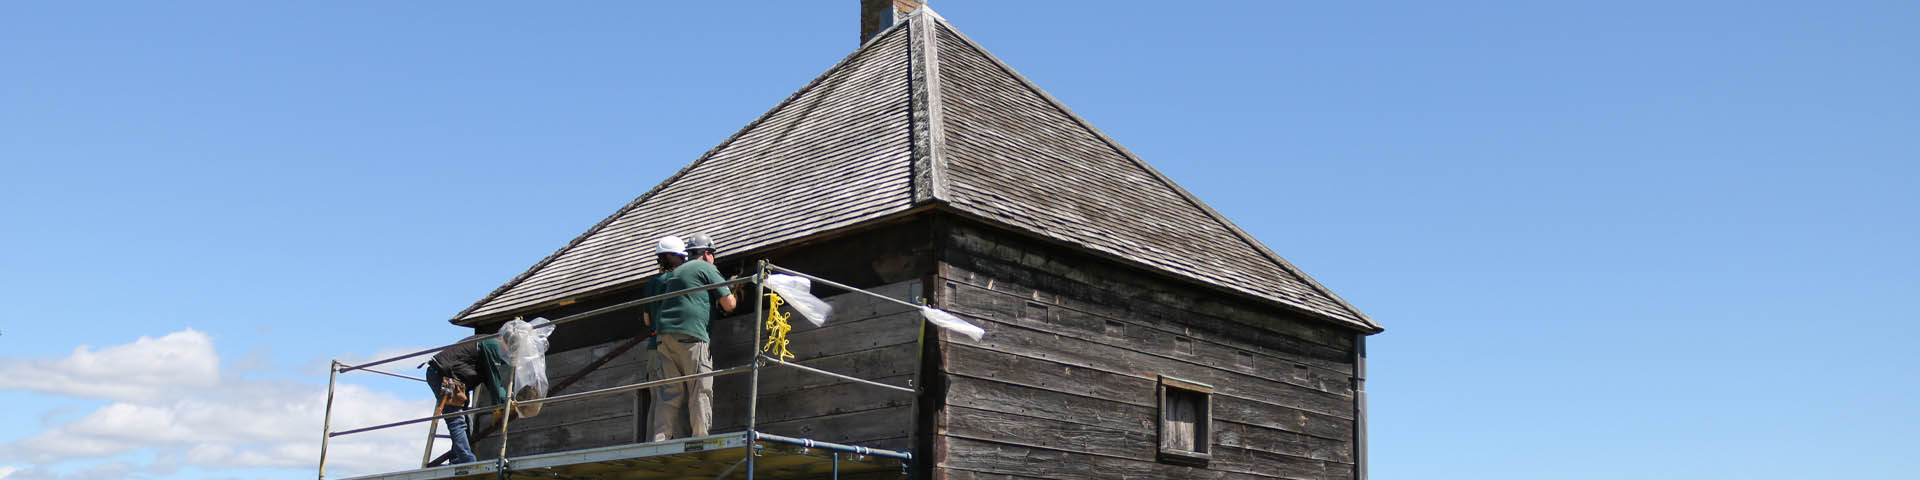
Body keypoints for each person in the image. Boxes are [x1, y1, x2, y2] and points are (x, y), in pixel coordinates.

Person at [648, 232, 736, 441]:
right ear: (706, 254)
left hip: (664, 337)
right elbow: (729, 304)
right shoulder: (706, 267)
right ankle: (700, 440)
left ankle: (660, 440)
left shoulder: (678, 273)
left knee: (670, 392)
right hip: (691, 336)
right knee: (700, 387)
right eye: (712, 255)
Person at [425, 334, 509, 464]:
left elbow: (490, 380)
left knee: (466, 422)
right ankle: (466, 460)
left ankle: (458, 458)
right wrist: (505, 402)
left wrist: (503, 401)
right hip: (444, 376)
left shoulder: (488, 345)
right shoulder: (493, 344)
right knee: (457, 421)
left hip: (455, 379)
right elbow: (494, 379)